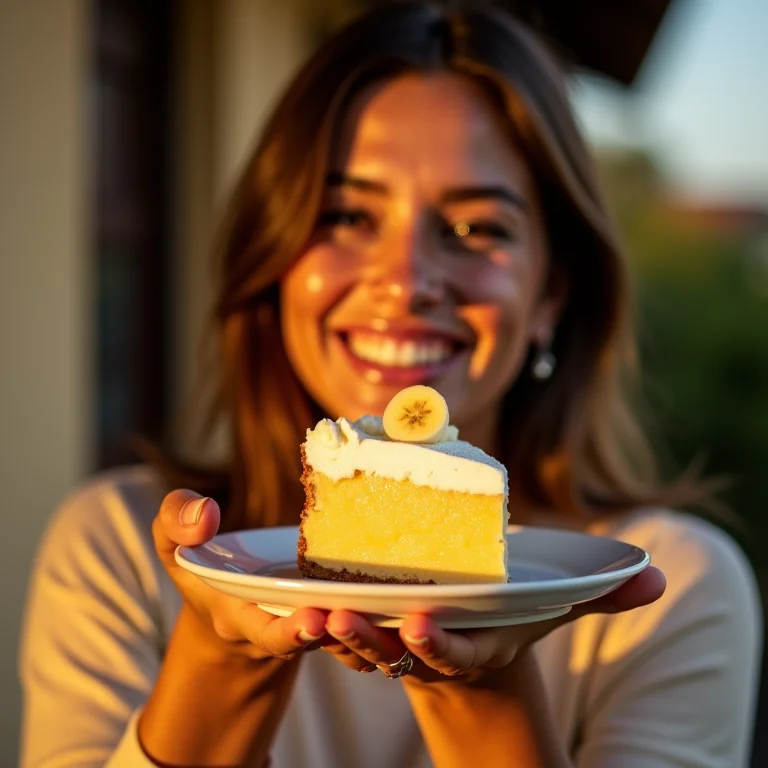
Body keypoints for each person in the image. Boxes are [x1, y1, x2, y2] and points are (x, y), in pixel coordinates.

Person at [19, 3, 761, 767]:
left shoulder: (669, 592)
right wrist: (219, 659)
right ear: (274, 263)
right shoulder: (119, 552)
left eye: (475, 229)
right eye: (345, 215)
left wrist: (480, 686)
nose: (404, 284)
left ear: (551, 296)